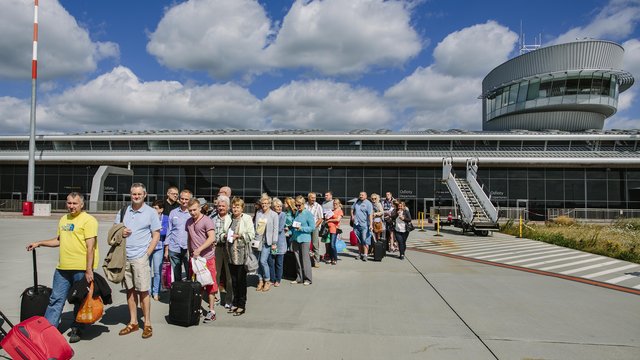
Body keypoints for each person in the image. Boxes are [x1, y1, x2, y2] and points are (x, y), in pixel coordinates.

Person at [26, 192, 99, 344]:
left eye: (75, 203)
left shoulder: (89, 220)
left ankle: (77, 328)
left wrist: (89, 270)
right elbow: (59, 240)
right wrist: (39, 243)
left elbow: (90, 247)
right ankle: (48, 330)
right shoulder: (63, 219)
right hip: (63, 268)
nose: (71, 206)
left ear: (82, 204)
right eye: (69, 203)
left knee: (80, 300)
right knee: (55, 299)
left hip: (81, 268)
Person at [116, 183, 161, 339]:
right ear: (130, 194)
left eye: (139, 194)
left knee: (143, 291)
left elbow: (156, 234)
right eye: (133, 194)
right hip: (125, 257)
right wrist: (121, 231)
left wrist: (147, 253)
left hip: (140, 257)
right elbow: (115, 230)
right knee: (130, 290)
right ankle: (133, 322)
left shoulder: (151, 212)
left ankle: (147, 324)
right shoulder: (123, 211)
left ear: (145, 194)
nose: (136, 196)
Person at [186, 198, 218, 322]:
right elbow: (189, 237)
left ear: (199, 208)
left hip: (207, 258)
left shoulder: (207, 221)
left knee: (210, 285)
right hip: (194, 259)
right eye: (190, 211)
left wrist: (199, 249)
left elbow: (211, 238)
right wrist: (190, 251)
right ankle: (197, 309)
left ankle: (211, 311)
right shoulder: (188, 222)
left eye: (194, 210)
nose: (193, 212)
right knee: (197, 286)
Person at [227, 197, 255, 316]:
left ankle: (241, 305)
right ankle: (235, 302)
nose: (235, 209)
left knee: (241, 280)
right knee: (233, 281)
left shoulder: (247, 218)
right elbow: (224, 231)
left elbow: (251, 234)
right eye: (233, 206)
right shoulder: (229, 218)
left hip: (242, 254)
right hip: (230, 254)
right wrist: (224, 236)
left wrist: (239, 236)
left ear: (242, 208)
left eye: (237, 207)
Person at [165, 190, 192, 283]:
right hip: (174, 247)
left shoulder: (192, 213)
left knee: (190, 274)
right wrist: (166, 249)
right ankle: (178, 294)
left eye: (186, 199)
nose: (184, 201)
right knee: (177, 276)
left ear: (190, 200)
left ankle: (189, 294)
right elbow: (169, 230)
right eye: (182, 199)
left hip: (188, 248)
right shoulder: (173, 212)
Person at [254, 194, 279, 292]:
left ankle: (267, 280)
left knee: (263, 261)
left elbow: (275, 229)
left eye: (266, 203)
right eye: (262, 203)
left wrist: (274, 242)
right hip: (258, 240)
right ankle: (260, 280)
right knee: (258, 262)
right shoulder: (259, 213)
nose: (264, 205)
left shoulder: (274, 214)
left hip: (268, 241)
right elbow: (256, 227)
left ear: (269, 204)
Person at [212, 195, 233, 309]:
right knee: (216, 274)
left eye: (223, 206)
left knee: (229, 276)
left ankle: (229, 299)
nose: (221, 208)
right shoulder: (213, 218)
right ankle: (216, 297)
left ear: (228, 207)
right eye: (219, 206)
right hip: (217, 248)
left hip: (229, 248)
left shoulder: (232, 218)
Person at [291, 196, 314, 285]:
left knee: (305, 259)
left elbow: (312, 227)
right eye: (296, 205)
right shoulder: (297, 212)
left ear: (303, 204)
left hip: (305, 239)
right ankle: (299, 278)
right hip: (296, 239)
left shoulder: (308, 213)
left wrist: (302, 228)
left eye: (299, 205)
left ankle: (308, 279)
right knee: (297, 259)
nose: (298, 207)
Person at [150, 200, 169, 301]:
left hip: (159, 247)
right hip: (148, 247)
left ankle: (155, 292)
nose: (154, 210)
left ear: (161, 209)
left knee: (157, 271)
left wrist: (153, 230)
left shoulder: (165, 218)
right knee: (147, 270)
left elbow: (165, 232)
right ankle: (148, 291)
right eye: (152, 207)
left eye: (156, 208)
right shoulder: (148, 217)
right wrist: (158, 230)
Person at [269, 198, 287, 287]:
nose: (279, 208)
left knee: (279, 262)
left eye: (280, 206)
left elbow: (280, 228)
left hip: (280, 243)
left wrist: (270, 230)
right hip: (272, 243)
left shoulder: (283, 215)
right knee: (272, 261)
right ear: (273, 207)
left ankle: (278, 280)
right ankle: (272, 279)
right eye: (277, 206)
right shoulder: (271, 215)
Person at [351, 191, 373, 261]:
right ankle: (360, 253)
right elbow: (352, 209)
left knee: (365, 240)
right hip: (356, 225)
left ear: (366, 196)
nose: (361, 196)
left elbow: (370, 215)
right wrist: (352, 216)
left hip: (365, 225)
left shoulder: (368, 203)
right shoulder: (357, 202)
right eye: (360, 195)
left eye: (362, 195)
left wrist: (371, 224)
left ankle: (365, 255)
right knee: (359, 240)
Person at [306, 192, 323, 267]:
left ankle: (316, 260)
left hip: (315, 227)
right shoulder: (305, 205)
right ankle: (307, 260)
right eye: (312, 197)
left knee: (315, 244)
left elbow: (320, 218)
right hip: (306, 227)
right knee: (306, 244)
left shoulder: (318, 206)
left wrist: (314, 226)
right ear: (308, 198)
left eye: (314, 198)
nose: (313, 199)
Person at [326, 199, 343, 265]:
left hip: (334, 229)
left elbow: (338, 219)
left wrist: (329, 220)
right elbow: (327, 218)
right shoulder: (332, 211)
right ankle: (331, 258)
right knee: (329, 244)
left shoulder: (340, 211)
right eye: (334, 203)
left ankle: (335, 258)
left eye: (336, 203)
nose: (334, 205)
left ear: (339, 204)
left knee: (332, 245)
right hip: (329, 229)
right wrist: (327, 217)